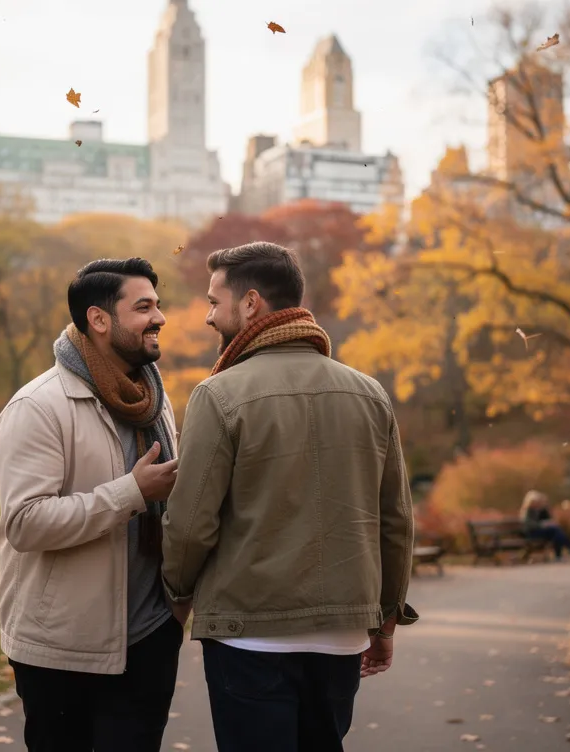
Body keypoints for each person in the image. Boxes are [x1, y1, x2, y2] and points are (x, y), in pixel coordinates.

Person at [161, 242, 419, 752]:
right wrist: (385, 618)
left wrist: (176, 593)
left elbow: (191, 524)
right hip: (344, 631)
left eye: (215, 302)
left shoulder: (219, 395)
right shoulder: (369, 394)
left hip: (248, 633)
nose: (209, 316)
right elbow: (396, 521)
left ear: (251, 303)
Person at [0, 258, 184, 752]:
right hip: (62, 649)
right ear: (99, 320)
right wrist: (132, 492)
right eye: (143, 307)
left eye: (157, 305)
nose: (159, 317)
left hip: (150, 637)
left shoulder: (154, 400)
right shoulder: (37, 407)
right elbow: (25, 523)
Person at [519, 490, 570, 561]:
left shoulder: (541, 510)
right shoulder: (528, 511)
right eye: (535, 502)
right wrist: (541, 525)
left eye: (537, 502)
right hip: (532, 533)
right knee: (556, 531)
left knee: (556, 533)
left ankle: (561, 555)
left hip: (544, 532)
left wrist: (548, 512)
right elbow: (528, 524)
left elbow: (550, 519)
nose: (536, 504)